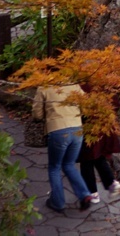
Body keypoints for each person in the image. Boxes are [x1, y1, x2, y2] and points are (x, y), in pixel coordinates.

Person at [33, 83, 93, 213]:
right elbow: (87, 108)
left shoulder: (43, 87)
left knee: (54, 167)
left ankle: (58, 202)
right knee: (69, 164)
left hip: (58, 131)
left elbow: (37, 114)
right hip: (77, 130)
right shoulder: (73, 85)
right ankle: (85, 194)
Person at [78, 132, 120, 203]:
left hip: (89, 132)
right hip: (100, 131)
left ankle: (93, 193)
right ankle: (111, 183)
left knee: (86, 160)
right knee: (98, 157)